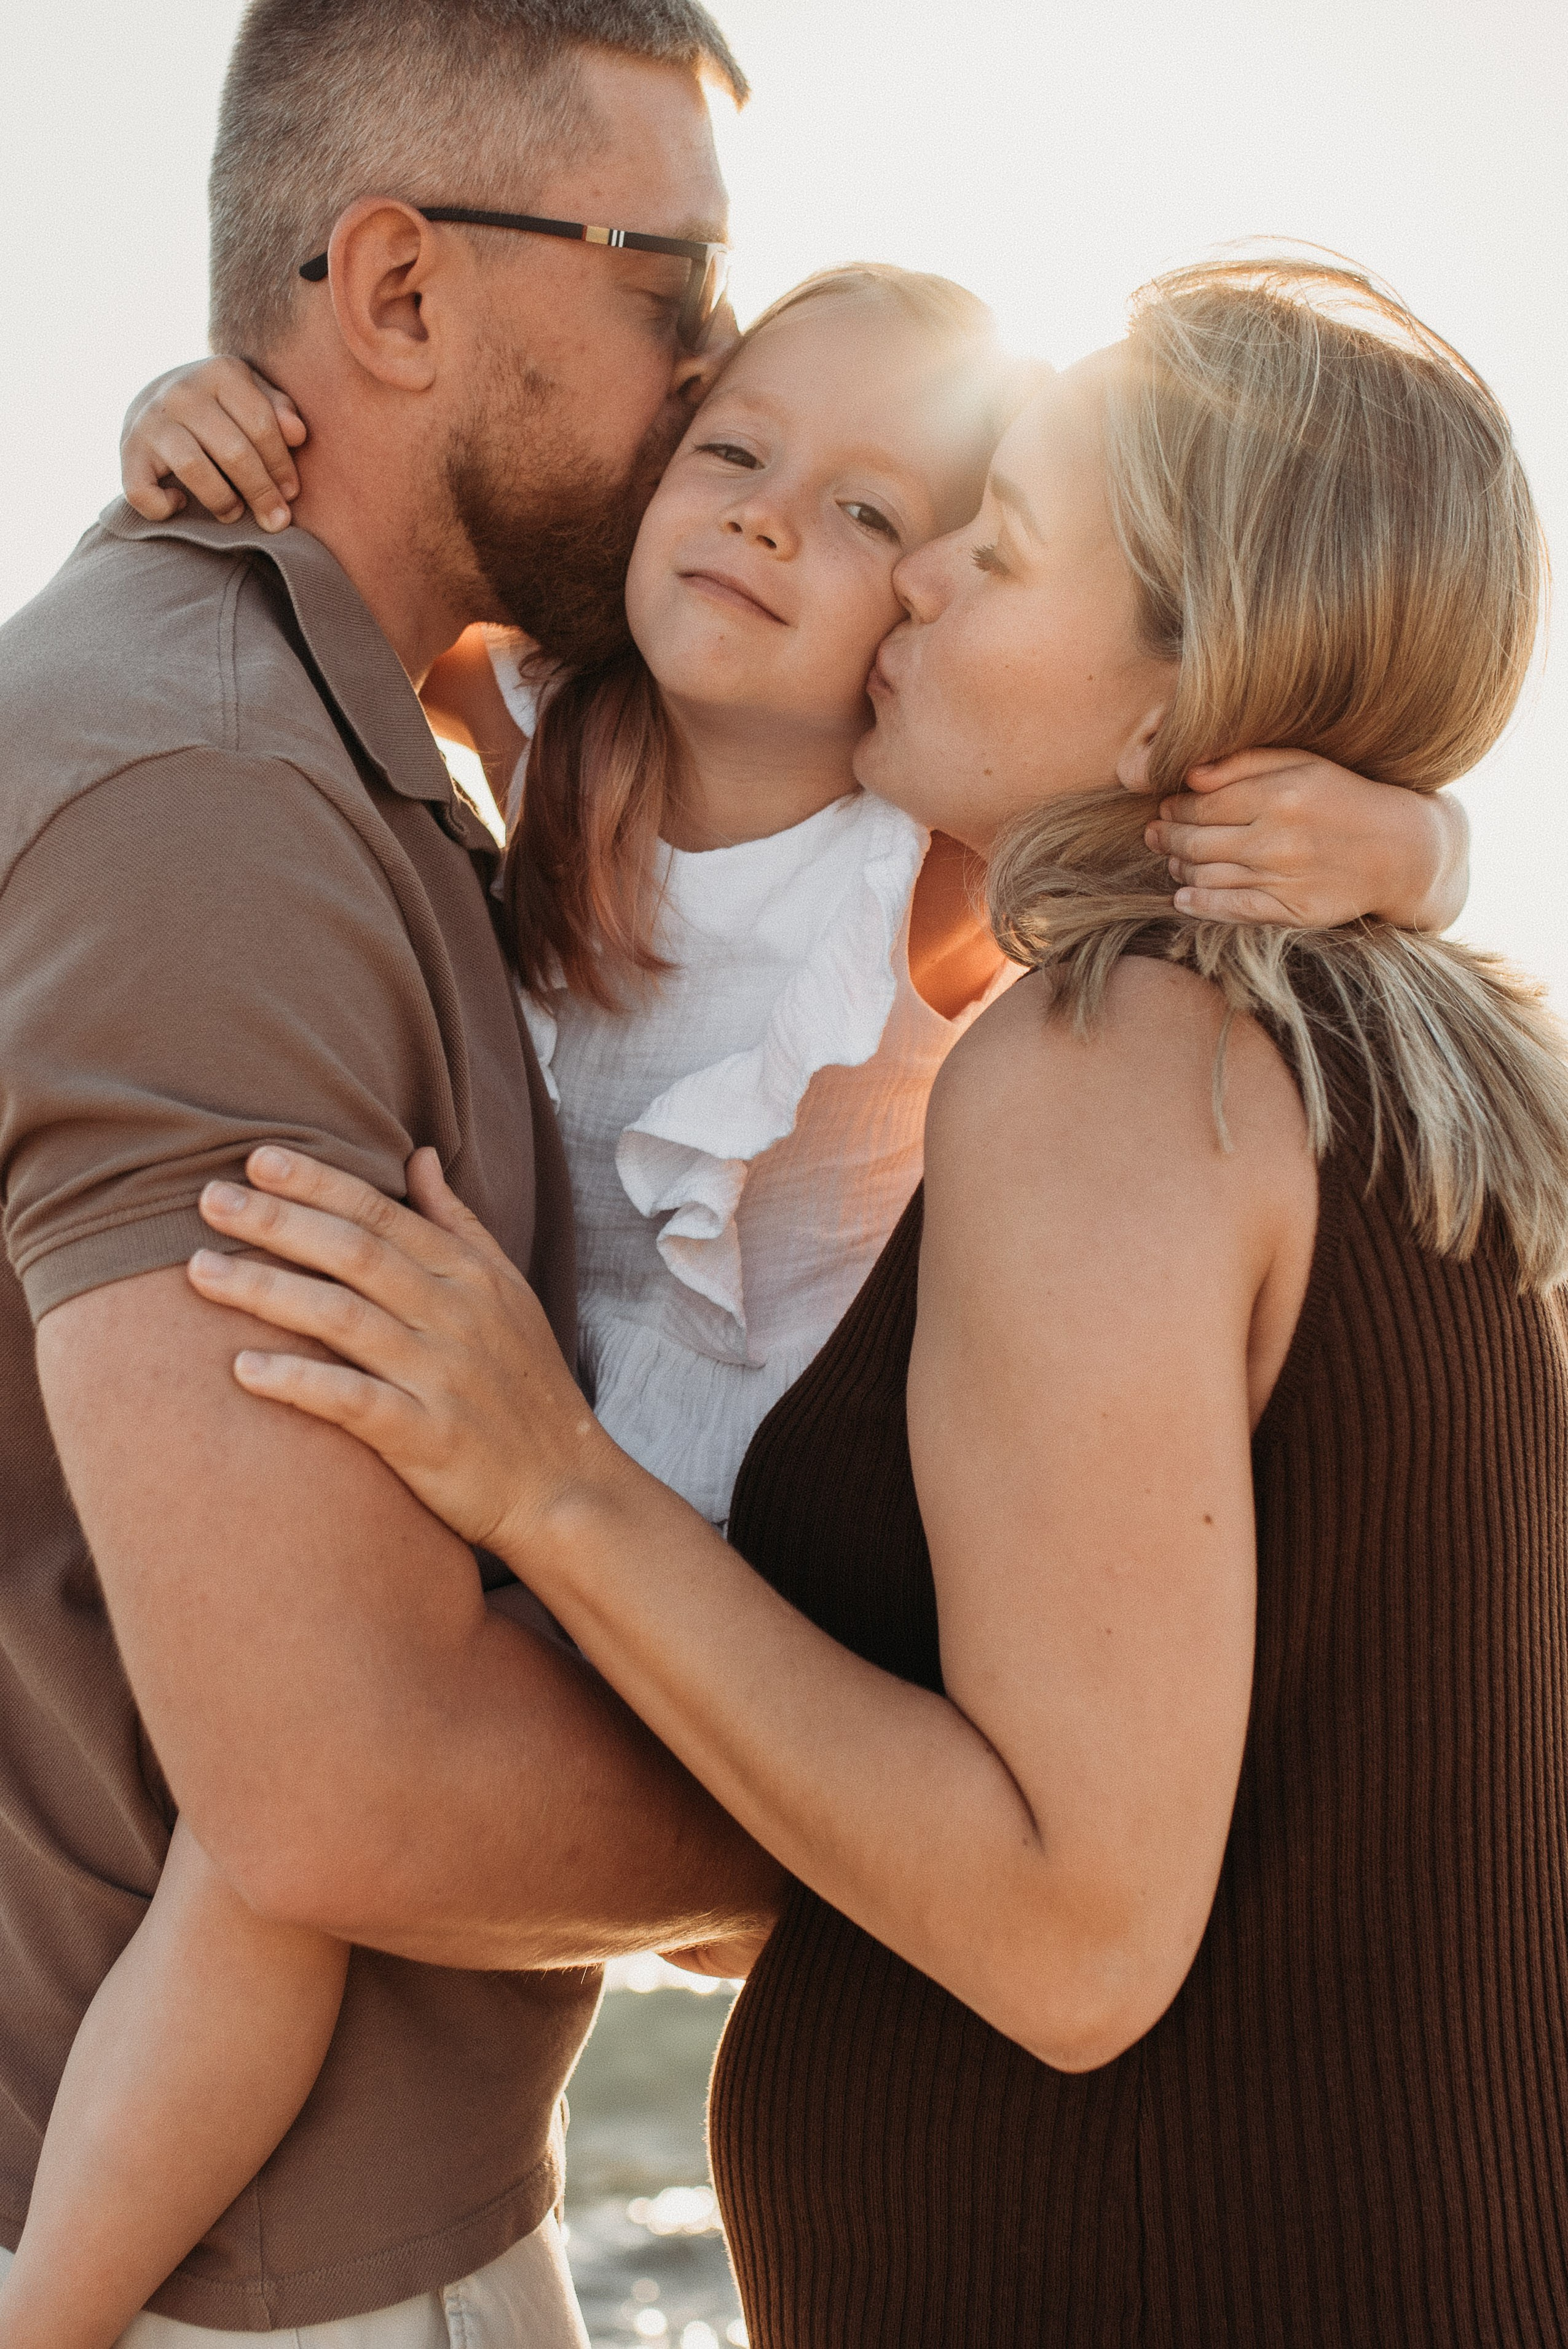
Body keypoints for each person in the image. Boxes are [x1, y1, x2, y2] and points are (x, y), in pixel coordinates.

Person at [14, 250, 1460, 2346]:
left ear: (929, 609)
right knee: (266, 1854)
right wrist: (175, 431)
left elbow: (1181, 796)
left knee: (395, 1855)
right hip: (500, 1381)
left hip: (715, 1482)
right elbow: (309, 608)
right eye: (737, 453)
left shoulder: (922, 855)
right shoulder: (546, 714)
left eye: (879, 514)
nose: (778, 520)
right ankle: (65, 2288)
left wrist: (1411, 845)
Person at [0, 6, 790, 2347]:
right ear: (403, 292)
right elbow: (350, 1784)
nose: (717, 369)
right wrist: (952, 1836)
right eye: (676, 285)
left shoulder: (352, 739)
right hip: (251, 2296)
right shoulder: (215, 805)